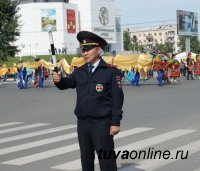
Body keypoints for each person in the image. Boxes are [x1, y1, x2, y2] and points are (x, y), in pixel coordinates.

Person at [53, 31, 124, 171]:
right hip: (83, 123)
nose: (85, 53)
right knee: (86, 159)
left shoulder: (110, 72)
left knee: (106, 160)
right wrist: (59, 81)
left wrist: (115, 122)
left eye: (88, 49)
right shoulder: (79, 71)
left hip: (102, 123)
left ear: (98, 50)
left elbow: (117, 98)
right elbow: (67, 84)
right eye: (83, 50)